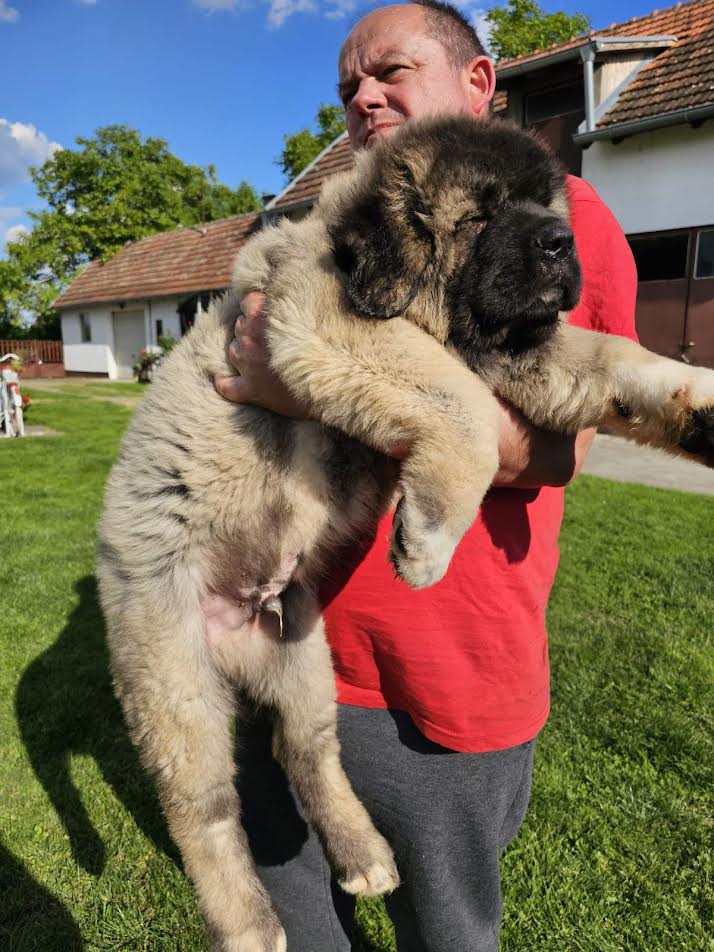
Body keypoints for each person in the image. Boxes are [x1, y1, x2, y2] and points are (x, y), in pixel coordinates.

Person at [215, 3, 638, 949]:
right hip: (278, 643)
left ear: (476, 85)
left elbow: (560, 449)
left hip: (433, 684)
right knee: (297, 913)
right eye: (347, 88)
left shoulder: (561, 219)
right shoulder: (341, 223)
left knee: (442, 930)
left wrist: (311, 387)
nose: (364, 97)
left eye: (391, 71)